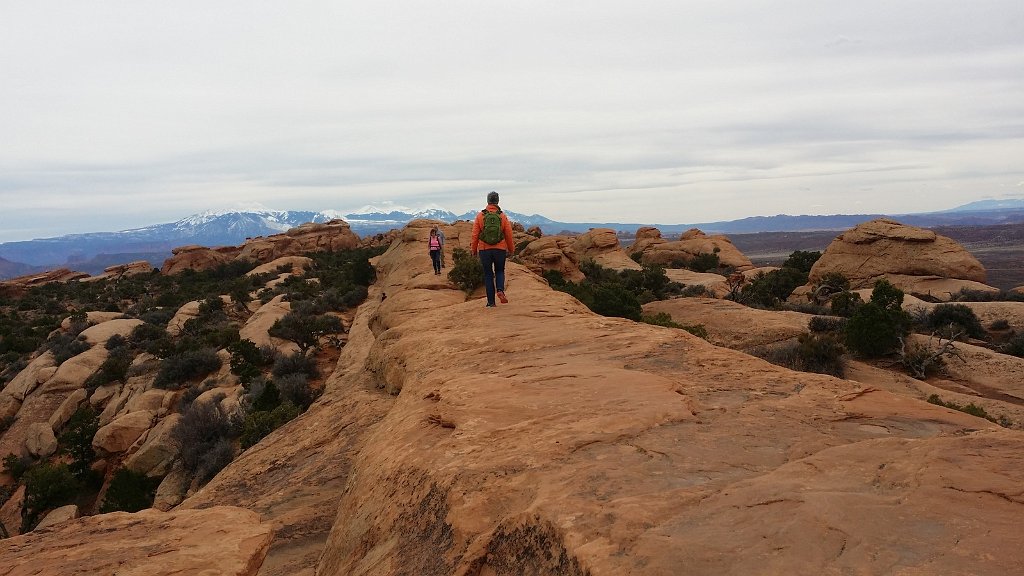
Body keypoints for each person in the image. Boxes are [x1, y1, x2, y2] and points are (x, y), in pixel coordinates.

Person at [471, 191, 516, 307]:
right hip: (500, 249)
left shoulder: (480, 216)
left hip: (485, 249)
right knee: (500, 270)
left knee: (488, 274)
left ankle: (491, 302)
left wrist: (473, 250)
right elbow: (508, 234)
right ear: (497, 201)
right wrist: (511, 250)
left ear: (488, 201)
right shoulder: (502, 216)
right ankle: (500, 290)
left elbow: (475, 235)